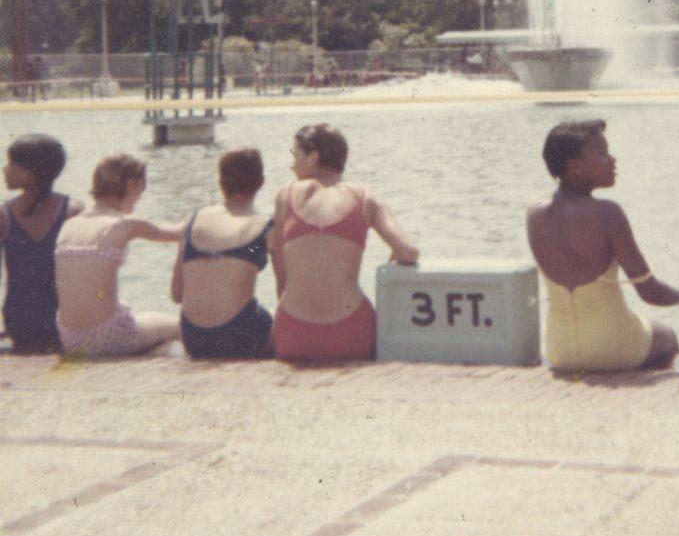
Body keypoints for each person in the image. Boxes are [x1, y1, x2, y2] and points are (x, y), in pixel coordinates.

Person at [527, 120, 679, 373]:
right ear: (575, 166)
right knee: (667, 336)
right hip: (613, 347)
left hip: (560, 349)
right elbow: (649, 292)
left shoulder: (534, 212)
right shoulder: (607, 213)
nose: (612, 160)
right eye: (602, 154)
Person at [270, 123, 419, 361]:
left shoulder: (284, 195)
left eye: (295, 155)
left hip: (294, 333)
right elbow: (408, 252)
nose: (291, 164)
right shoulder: (364, 195)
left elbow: (280, 270)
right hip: (350, 332)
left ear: (313, 158)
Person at [55, 154, 182, 356]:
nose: (140, 197)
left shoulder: (69, 225)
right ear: (132, 185)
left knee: (138, 315)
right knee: (175, 325)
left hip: (70, 337)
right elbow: (178, 234)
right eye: (142, 189)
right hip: (108, 337)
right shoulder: (122, 225)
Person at [171, 149, 281, 359]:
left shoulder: (194, 220)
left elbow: (177, 294)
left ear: (221, 182)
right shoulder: (266, 227)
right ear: (261, 182)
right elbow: (284, 295)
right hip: (241, 337)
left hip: (194, 339)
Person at [0, 135, 82, 352]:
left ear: (31, 173)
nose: (4, 169)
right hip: (64, 323)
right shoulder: (73, 210)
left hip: (19, 324)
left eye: (11, 164)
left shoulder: (4, 214)